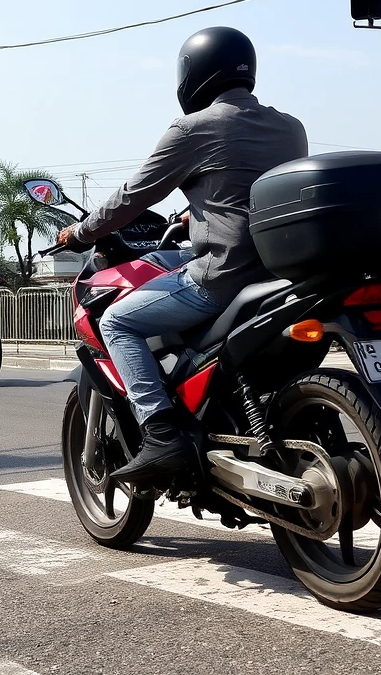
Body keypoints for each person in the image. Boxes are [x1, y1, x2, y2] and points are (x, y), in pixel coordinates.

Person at [57, 27, 308, 485]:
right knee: (168, 261)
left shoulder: (193, 128)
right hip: (281, 272)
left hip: (224, 276)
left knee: (118, 321)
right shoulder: (290, 127)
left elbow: (132, 196)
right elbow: (248, 197)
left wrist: (80, 232)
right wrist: (193, 217)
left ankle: (161, 433)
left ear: (193, 74)